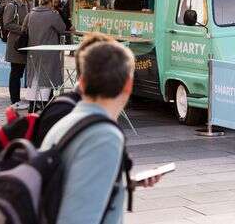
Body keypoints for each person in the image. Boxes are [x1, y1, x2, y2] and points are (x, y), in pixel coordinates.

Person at [40, 40, 159, 224]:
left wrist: (122, 183)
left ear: (83, 83)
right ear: (128, 85)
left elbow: (71, 186)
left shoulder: (66, 123)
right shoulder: (104, 136)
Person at [23, 0, 67, 99]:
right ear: (50, 2)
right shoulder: (52, 15)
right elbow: (62, 29)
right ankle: (43, 104)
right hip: (49, 52)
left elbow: (23, 29)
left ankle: (32, 104)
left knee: (34, 78)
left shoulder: (30, 14)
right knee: (47, 78)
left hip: (32, 51)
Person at [3, 0, 31, 109]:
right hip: (16, 44)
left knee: (19, 73)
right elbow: (7, 24)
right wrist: (23, 29)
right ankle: (14, 100)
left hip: (23, 44)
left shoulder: (27, 5)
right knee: (15, 73)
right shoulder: (12, 6)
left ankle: (17, 100)